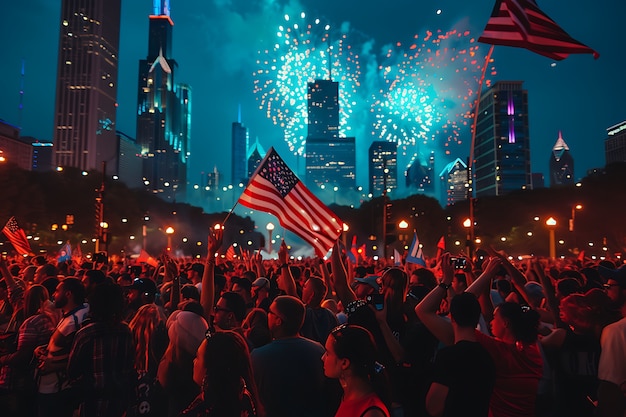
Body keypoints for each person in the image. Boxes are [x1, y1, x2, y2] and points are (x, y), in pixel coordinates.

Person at [416, 254, 542, 417]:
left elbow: (459, 310)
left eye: (495, 318)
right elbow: (478, 308)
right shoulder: (533, 351)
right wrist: (482, 276)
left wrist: (448, 281)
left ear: (506, 324)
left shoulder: (497, 351)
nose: (490, 321)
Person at [416, 277, 495, 417]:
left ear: (452, 318)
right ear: (477, 318)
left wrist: (445, 282)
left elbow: (434, 407)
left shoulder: (448, 356)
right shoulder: (488, 355)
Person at [250, 295, 339, 417]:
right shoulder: (319, 350)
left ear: (278, 320)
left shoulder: (258, 356)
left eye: (270, 312)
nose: (267, 315)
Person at [67, 283, 135, 417]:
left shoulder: (86, 333)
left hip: (92, 401)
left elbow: (72, 370)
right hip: (119, 400)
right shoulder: (126, 330)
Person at [36, 277, 90, 417]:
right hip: (52, 386)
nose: (53, 295)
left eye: (57, 291)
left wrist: (54, 365)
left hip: (58, 389)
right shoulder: (75, 314)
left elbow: (81, 356)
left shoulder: (75, 322)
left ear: (68, 294)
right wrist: (44, 348)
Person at [0, 285, 56, 417]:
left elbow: (23, 355)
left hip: (15, 382)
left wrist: (2, 359)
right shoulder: (50, 319)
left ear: (28, 300)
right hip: (33, 382)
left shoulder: (31, 323)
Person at [180, 330, 263, 417]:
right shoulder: (244, 399)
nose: (194, 361)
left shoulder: (206, 409)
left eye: (198, 356)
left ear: (211, 368)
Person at [322, 324, 390, 417]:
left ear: (344, 363)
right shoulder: (343, 396)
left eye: (328, 353)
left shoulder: (372, 413)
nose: (323, 358)